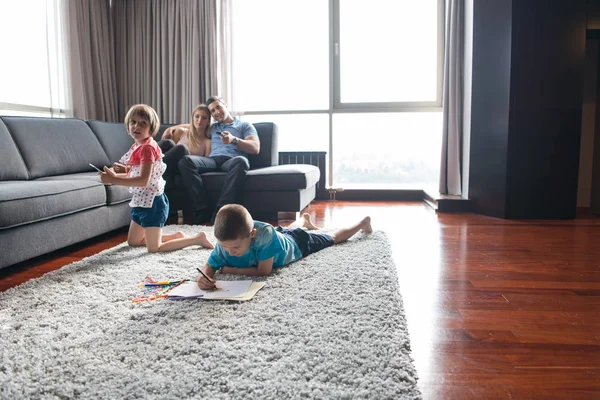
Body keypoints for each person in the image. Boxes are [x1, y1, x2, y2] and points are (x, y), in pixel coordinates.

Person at [99, 104, 214, 253]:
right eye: (133, 122)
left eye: (143, 123)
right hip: (140, 201)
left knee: (154, 248)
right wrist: (113, 176)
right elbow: (133, 174)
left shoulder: (147, 149)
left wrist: (114, 180)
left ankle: (197, 239)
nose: (136, 126)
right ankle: (177, 236)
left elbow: (143, 180)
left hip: (153, 203)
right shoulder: (137, 146)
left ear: (151, 128)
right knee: (133, 241)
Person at [196, 204, 372, 289]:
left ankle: (362, 223)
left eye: (234, 248)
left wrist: (229, 270)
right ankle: (304, 220)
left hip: (297, 244)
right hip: (279, 234)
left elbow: (263, 271)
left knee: (331, 238)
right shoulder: (227, 242)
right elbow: (210, 265)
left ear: (251, 235)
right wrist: (203, 278)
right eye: (225, 248)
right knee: (285, 230)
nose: (230, 252)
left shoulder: (264, 237)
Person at [178, 96, 260, 224]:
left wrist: (234, 140)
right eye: (212, 111)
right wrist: (170, 128)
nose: (216, 112)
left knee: (242, 161)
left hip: (232, 161)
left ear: (225, 106)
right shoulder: (212, 126)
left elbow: (255, 148)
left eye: (218, 107)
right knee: (185, 161)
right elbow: (194, 124)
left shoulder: (244, 125)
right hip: (213, 160)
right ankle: (202, 208)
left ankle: (220, 211)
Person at [158, 104, 212, 190]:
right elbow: (171, 152)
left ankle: (154, 167)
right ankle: (146, 158)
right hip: (170, 165)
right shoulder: (182, 132)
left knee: (182, 148)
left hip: (184, 167)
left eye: (204, 118)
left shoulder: (207, 142)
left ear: (208, 121)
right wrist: (170, 129)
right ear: (193, 118)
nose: (199, 120)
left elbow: (204, 163)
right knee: (169, 143)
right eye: (197, 116)